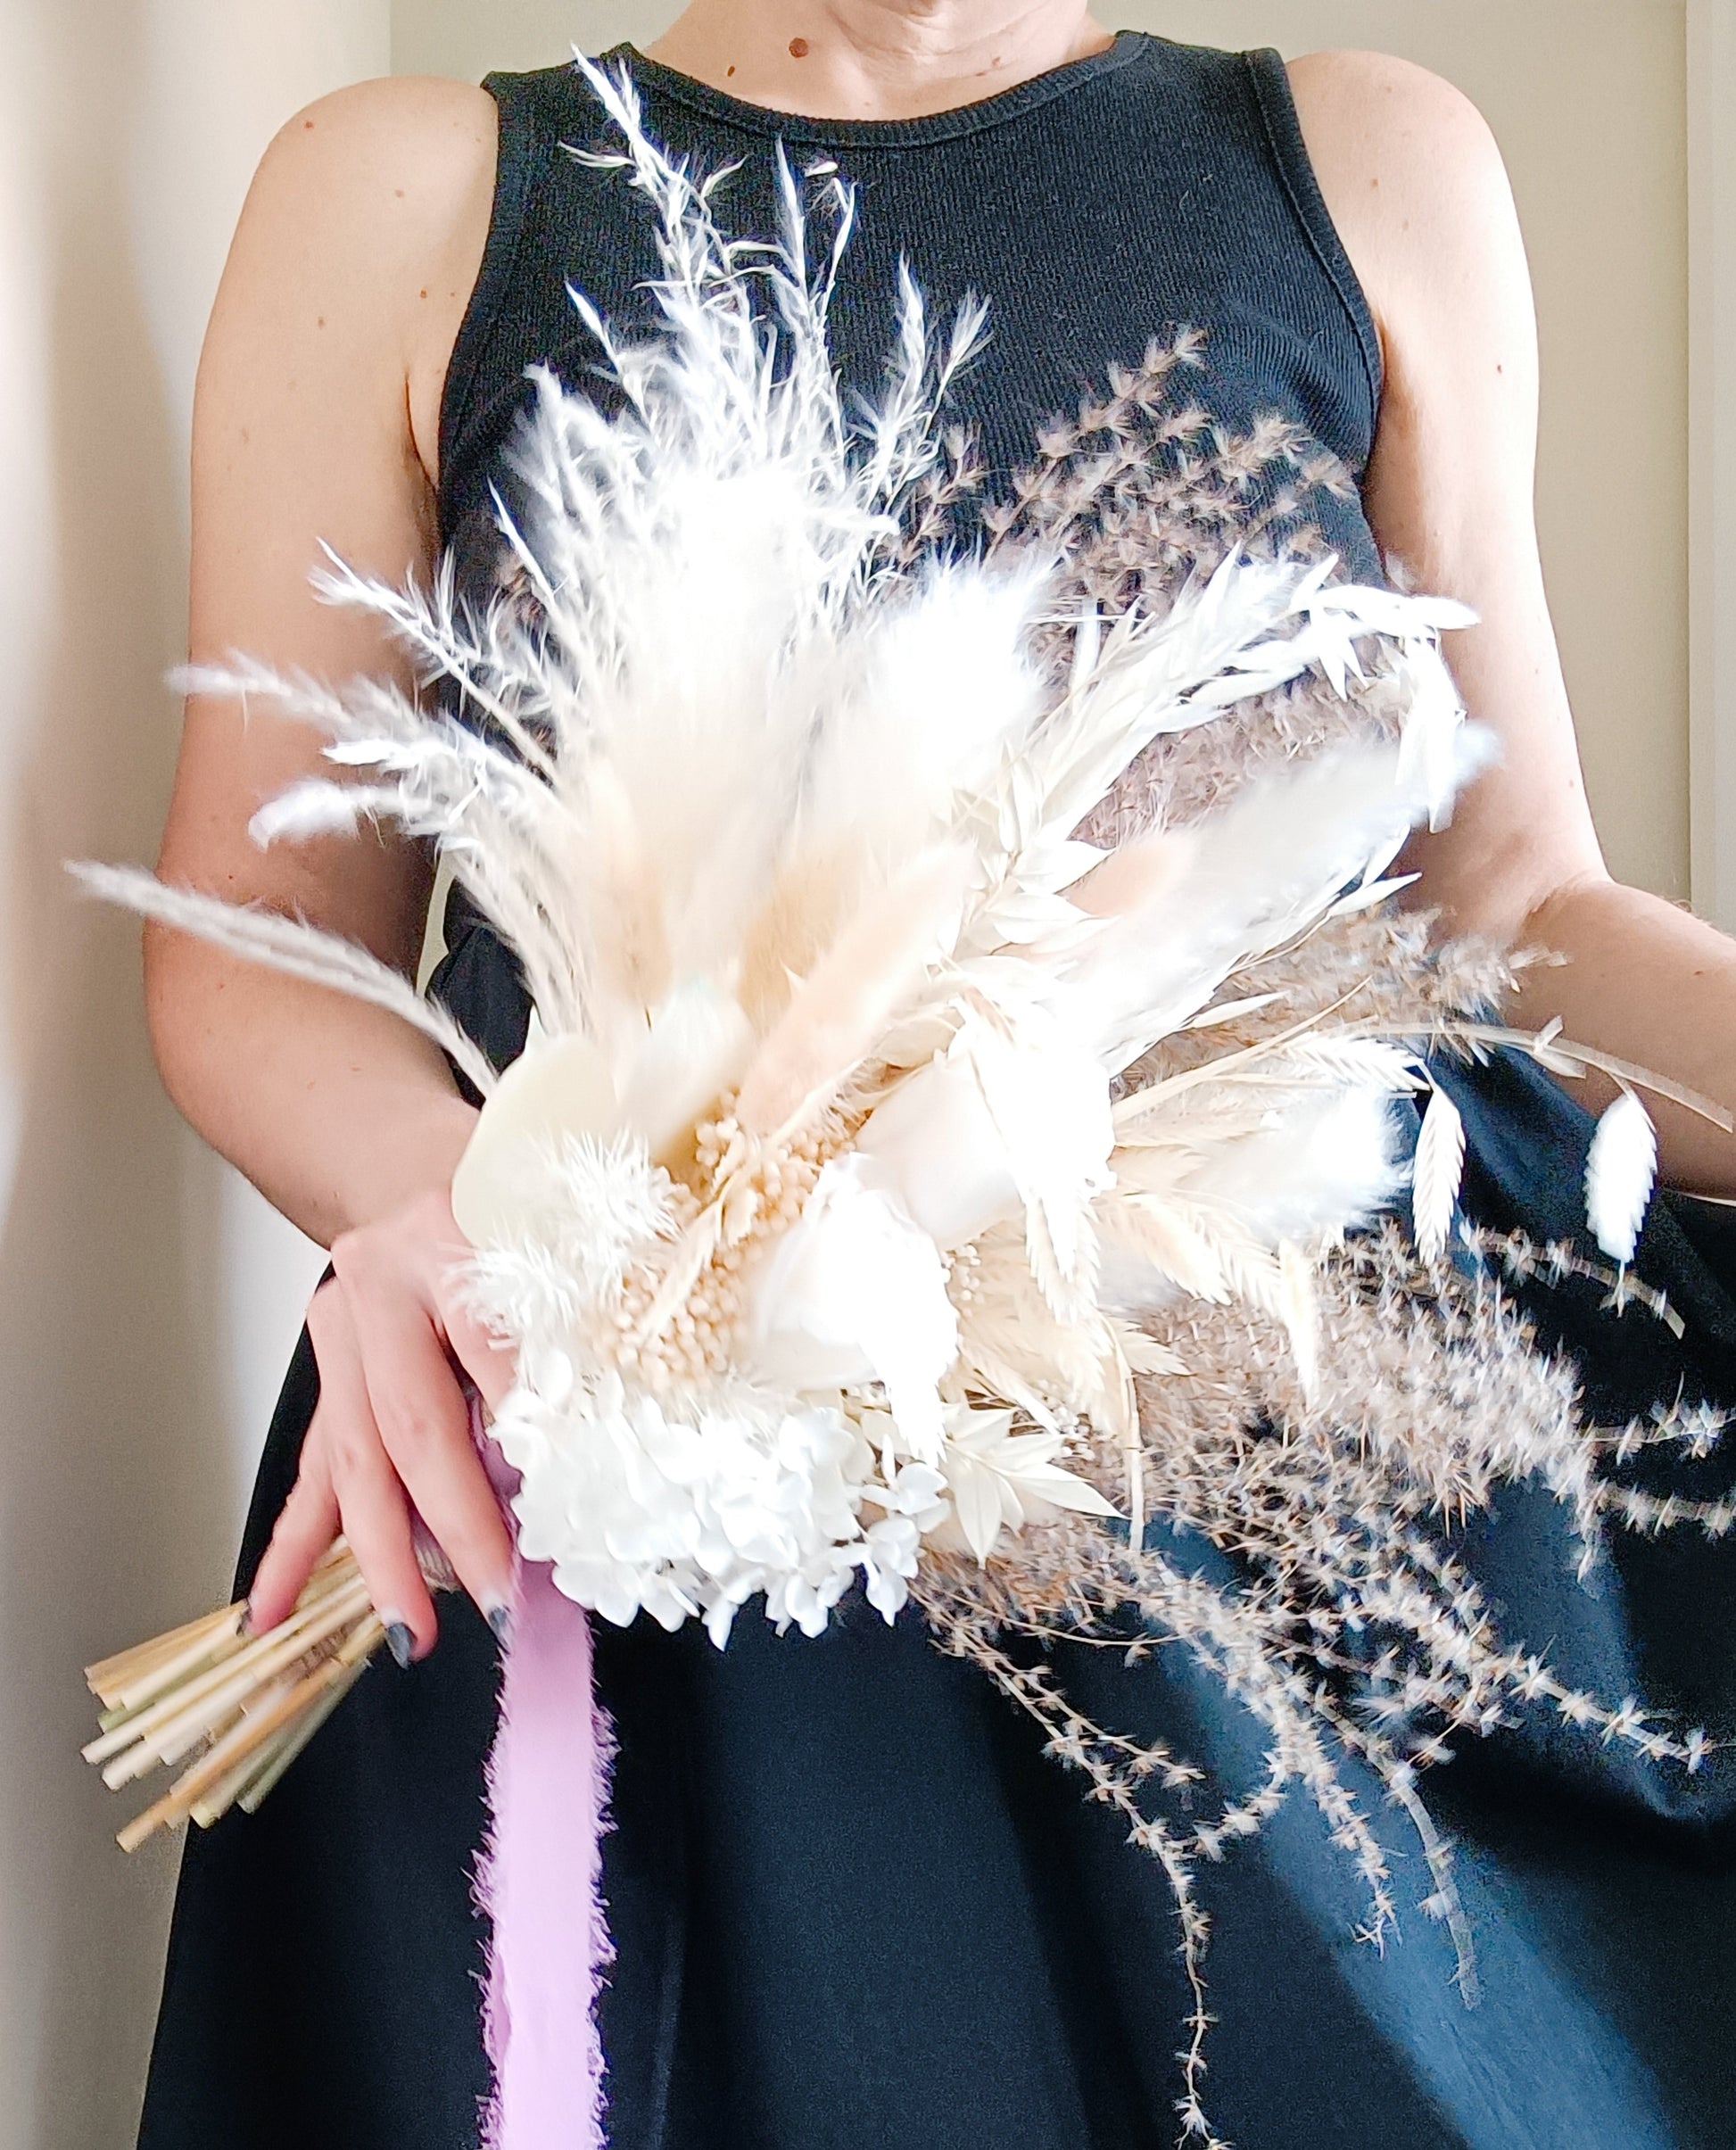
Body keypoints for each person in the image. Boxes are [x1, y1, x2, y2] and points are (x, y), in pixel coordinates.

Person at [136, 4, 1736, 2146]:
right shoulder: (413, 192)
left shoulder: (1366, 162)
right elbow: (258, 956)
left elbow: (1516, 898)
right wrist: (480, 1217)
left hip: (1297, 1562)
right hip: (666, 1545)